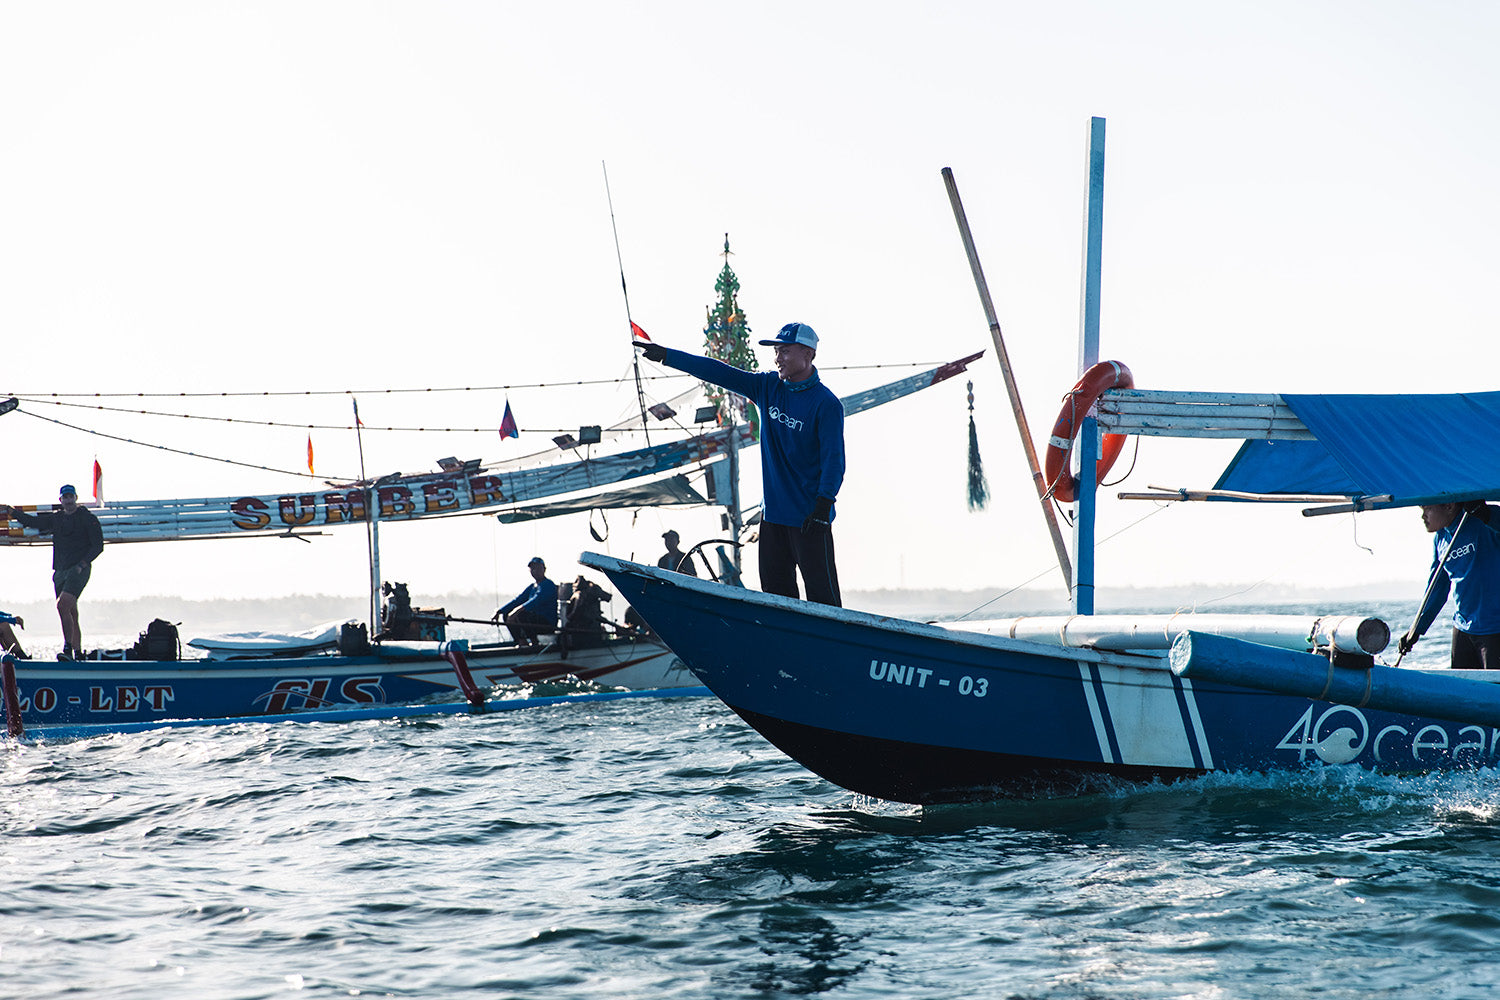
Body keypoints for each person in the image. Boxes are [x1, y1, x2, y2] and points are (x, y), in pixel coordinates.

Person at [641, 322, 845, 606]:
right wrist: (667, 355)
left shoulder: (826, 404)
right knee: (776, 601)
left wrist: (824, 505)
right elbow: (718, 372)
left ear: (808, 353)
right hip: (773, 518)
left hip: (811, 519)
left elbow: (834, 461)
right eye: (776, 351)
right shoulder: (767, 387)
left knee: (824, 602)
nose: (777, 358)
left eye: (784, 351)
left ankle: (835, 649)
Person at [0, 484, 104, 661]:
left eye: (71, 497)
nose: (69, 500)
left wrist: (83, 563)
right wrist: (12, 511)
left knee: (62, 605)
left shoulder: (87, 518)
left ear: (76, 498)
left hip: (78, 568)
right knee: (71, 612)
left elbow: (98, 545)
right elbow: (33, 522)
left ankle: (68, 648)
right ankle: (78, 652)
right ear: (61, 500)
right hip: (60, 570)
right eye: (65, 497)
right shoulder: (57, 519)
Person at [1398, 501, 1500, 668]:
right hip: (1462, 628)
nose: (1423, 516)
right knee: (1463, 690)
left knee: (1494, 691)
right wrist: (1416, 628)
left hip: (1494, 628)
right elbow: (1436, 589)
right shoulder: (1441, 539)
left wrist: (1487, 514)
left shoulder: (1484, 521)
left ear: (1449, 506)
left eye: (1427, 508)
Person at [492, 556, 558, 647]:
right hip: (533, 623)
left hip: (546, 624)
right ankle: (521, 642)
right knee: (507, 613)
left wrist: (517, 611)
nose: (535, 571)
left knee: (521, 614)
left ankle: (534, 642)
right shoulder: (532, 586)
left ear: (544, 569)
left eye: (538, 568)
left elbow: (536, 600)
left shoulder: (548, 585)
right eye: (533, 568)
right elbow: (518, 600)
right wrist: (499, 611)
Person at [564, 575, 612, 648]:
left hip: (583, 632)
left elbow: (607, 597)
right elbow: (592, 616)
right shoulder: (581, 595)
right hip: (586, 634)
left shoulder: (582, 593)